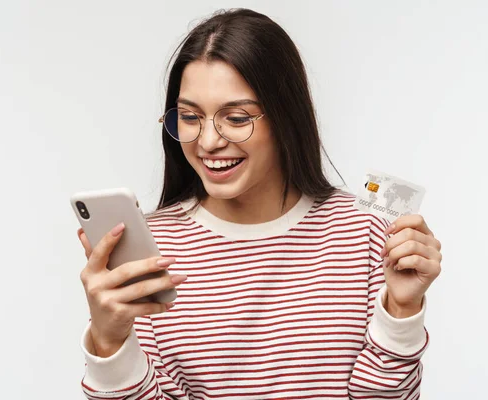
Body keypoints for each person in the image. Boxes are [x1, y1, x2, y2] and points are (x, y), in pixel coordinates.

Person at [76, 8, 442, 400]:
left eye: (235, 118)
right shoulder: (149, 249)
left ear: (286, 116)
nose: (207, 142)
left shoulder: (367, 229)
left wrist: (402, 310)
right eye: (189, 116)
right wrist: (109, 341)